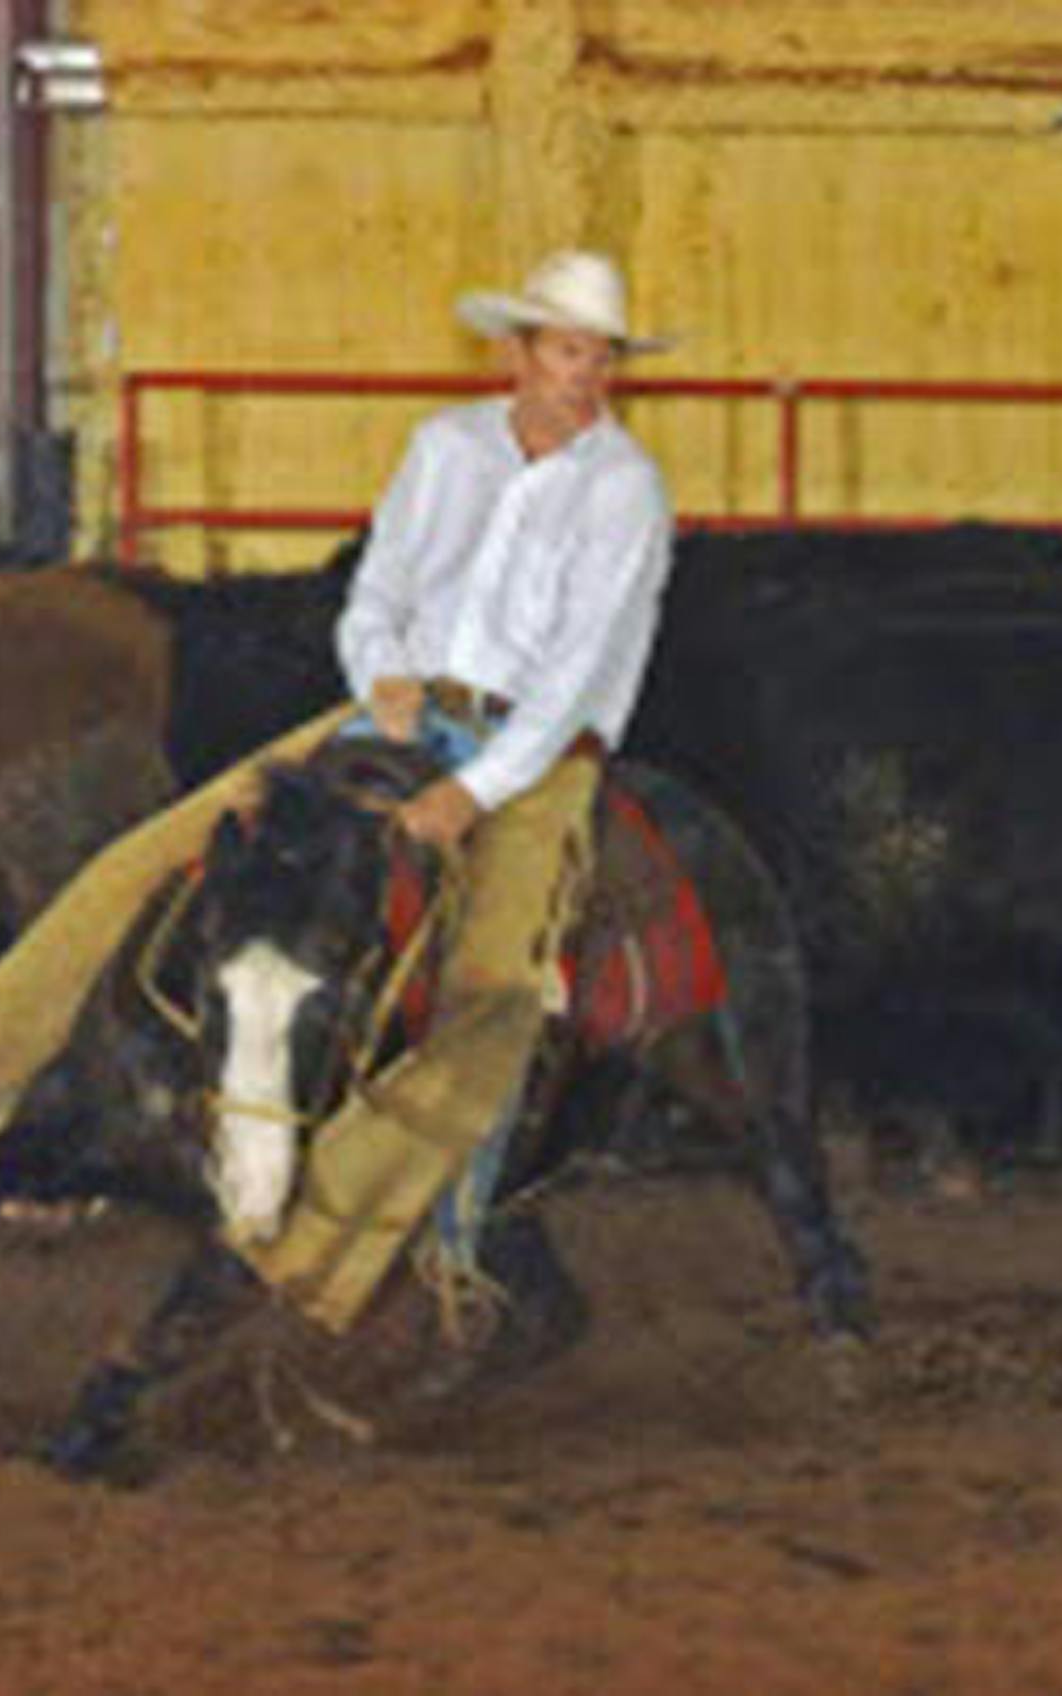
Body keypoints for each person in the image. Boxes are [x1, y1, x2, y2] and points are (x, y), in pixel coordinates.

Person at [245, 248, 678, 1337]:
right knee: (234, 859)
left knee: (491, 988)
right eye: (569, 350)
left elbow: (575, 671)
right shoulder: (443, 447)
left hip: (534, 750)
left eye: (601, 356)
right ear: (516, 353)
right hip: (404, 707)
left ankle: (458, 1251)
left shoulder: (627, 490)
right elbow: (378, 584)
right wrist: (378, 672)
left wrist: (474, 793)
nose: (587, 375)